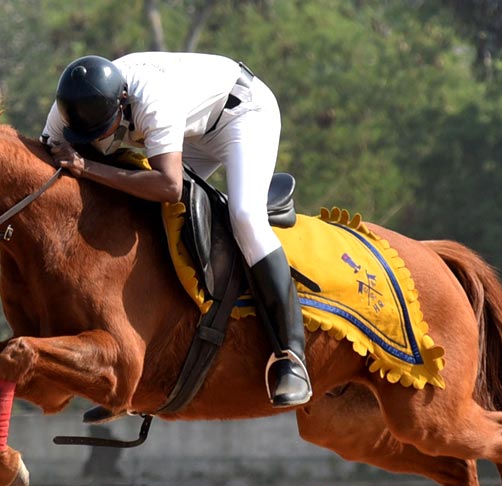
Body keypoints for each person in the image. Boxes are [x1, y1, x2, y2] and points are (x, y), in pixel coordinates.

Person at [42, 52, 311, 408]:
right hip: (190, 128)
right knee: (144, 218)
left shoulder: (152, 99)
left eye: (100, 130)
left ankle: (291, 358)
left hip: (241, 116)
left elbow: (169, 186)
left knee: (245, 216)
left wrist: (87, 166)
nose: (91, 140)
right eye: (83, 134)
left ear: (121, 103)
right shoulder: (69, 108)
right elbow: (47, 161)